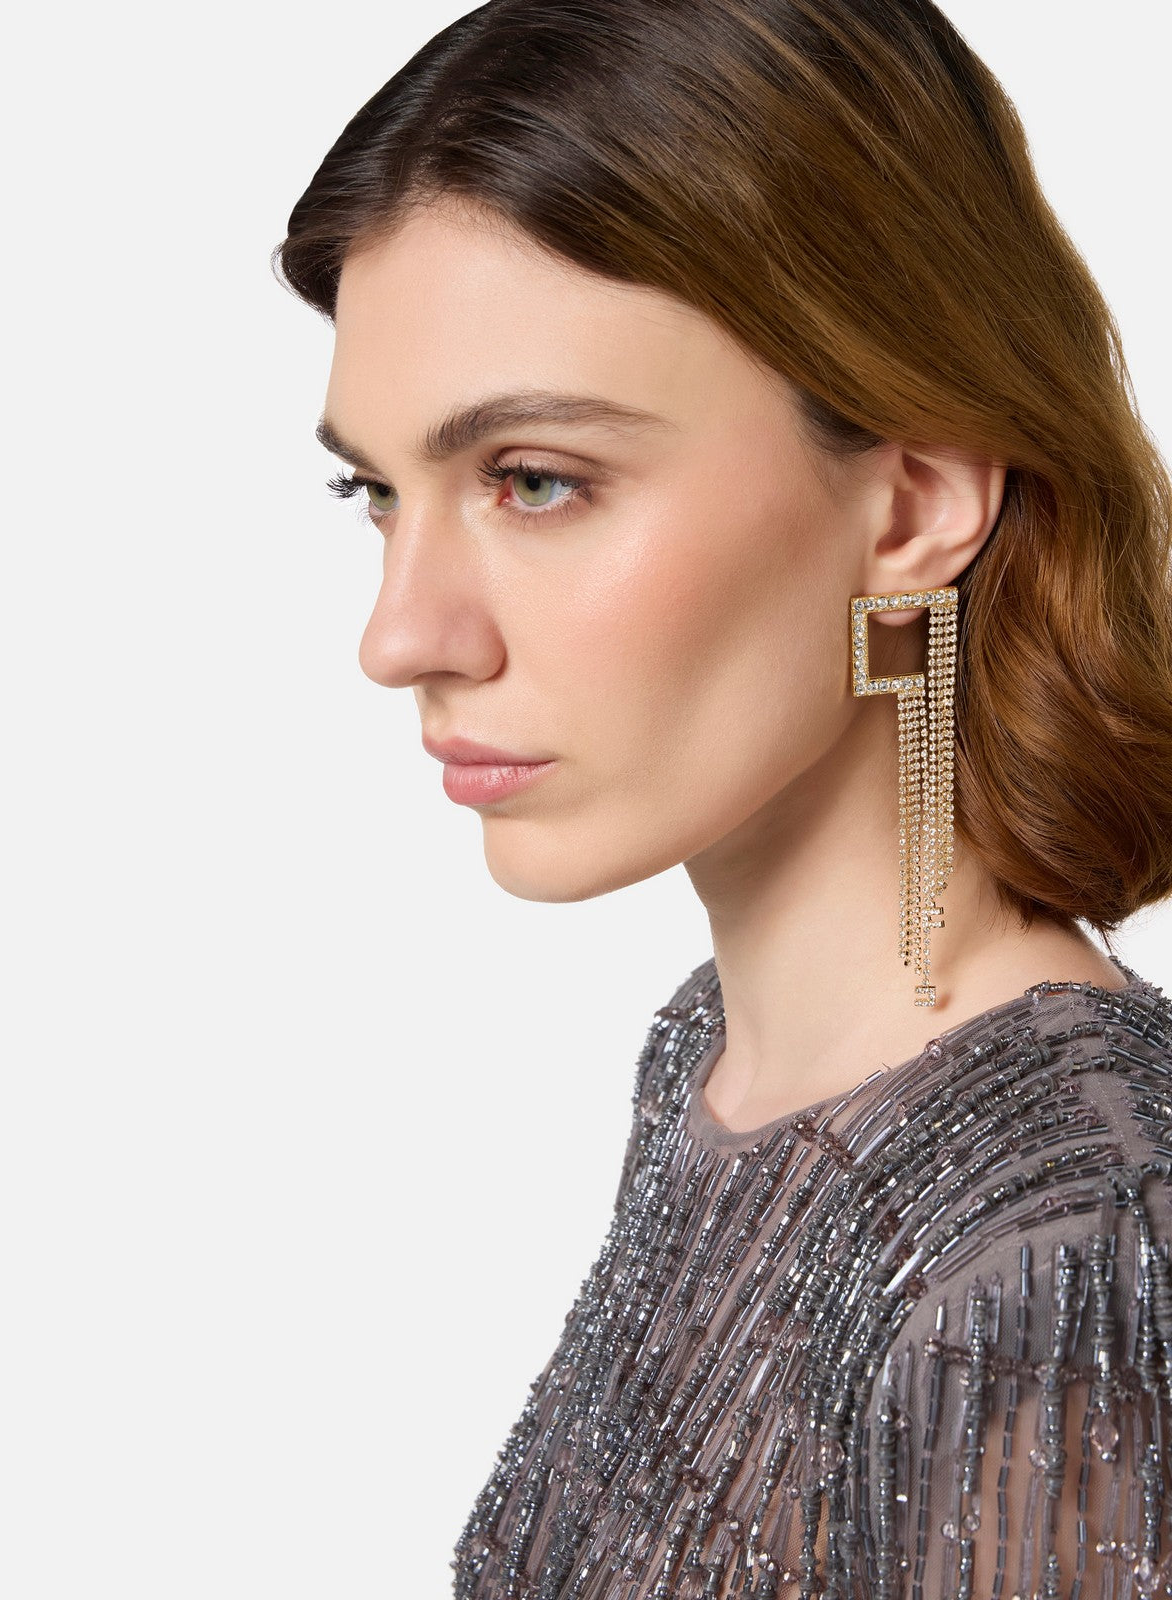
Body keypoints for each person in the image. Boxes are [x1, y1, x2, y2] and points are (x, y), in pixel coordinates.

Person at [273, 0, 1172, 1593]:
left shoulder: (1054, 1244)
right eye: (377, 492)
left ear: (915, 505)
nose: (400, 635)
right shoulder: (712, 1056)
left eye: (536, 479)